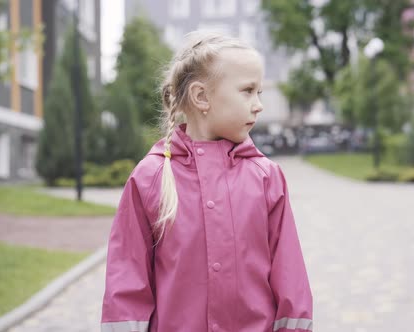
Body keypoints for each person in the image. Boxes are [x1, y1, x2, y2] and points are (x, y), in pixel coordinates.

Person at [100, 31, 313, 332]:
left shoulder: (267, 178)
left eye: (259, 93)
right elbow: (127, 281)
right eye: (247, 91)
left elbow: (290, 278)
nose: (258, 104)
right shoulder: (151, 177)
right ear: (202, 97)